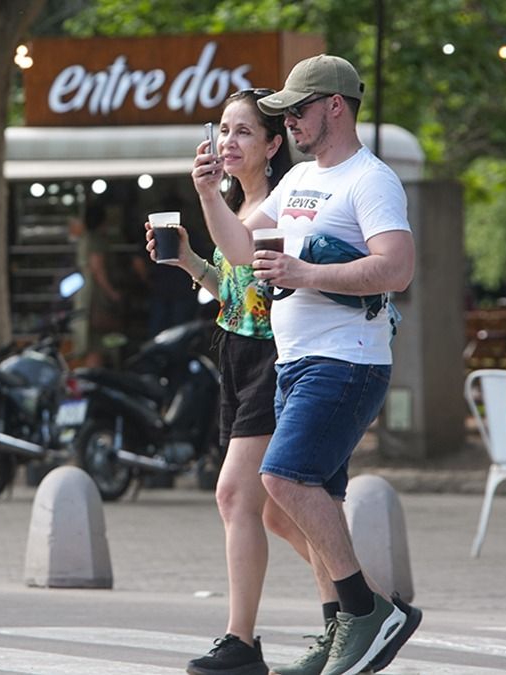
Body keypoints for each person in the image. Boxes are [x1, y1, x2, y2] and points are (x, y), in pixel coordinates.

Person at [190, 54, 419, 675]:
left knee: (283, 478)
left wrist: (305, 273)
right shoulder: (298, 180)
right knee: (311, 498)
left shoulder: (370, 180)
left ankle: (367, 610)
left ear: (335, 107)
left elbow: (397, 269)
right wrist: (208, 193)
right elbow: (240, 250)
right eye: (285, 112)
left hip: (344, 361)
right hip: (297, 362)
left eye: (298, 109)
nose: (288, 120)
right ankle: (341, 627)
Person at [143, 87, 292, 675]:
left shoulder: (278, 202)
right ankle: (361, 601)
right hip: (235, 354)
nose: (228, 142)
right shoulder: (238, 201)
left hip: (271, 359)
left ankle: (242, 640)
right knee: (277, 512)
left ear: (273, 145)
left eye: (244, 132)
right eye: (224, 130)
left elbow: (247, 253)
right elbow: (233, 289)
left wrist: (206, 196)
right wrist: (187, 260)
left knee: (234, 496)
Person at [70, 201, 123, 368]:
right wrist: (111, 292)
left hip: (84, 291)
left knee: (92, 339)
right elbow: (97, 268)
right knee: (95, 343)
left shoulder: (84, 238)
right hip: (94, 295)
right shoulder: (96, 240)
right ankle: (93, 375)